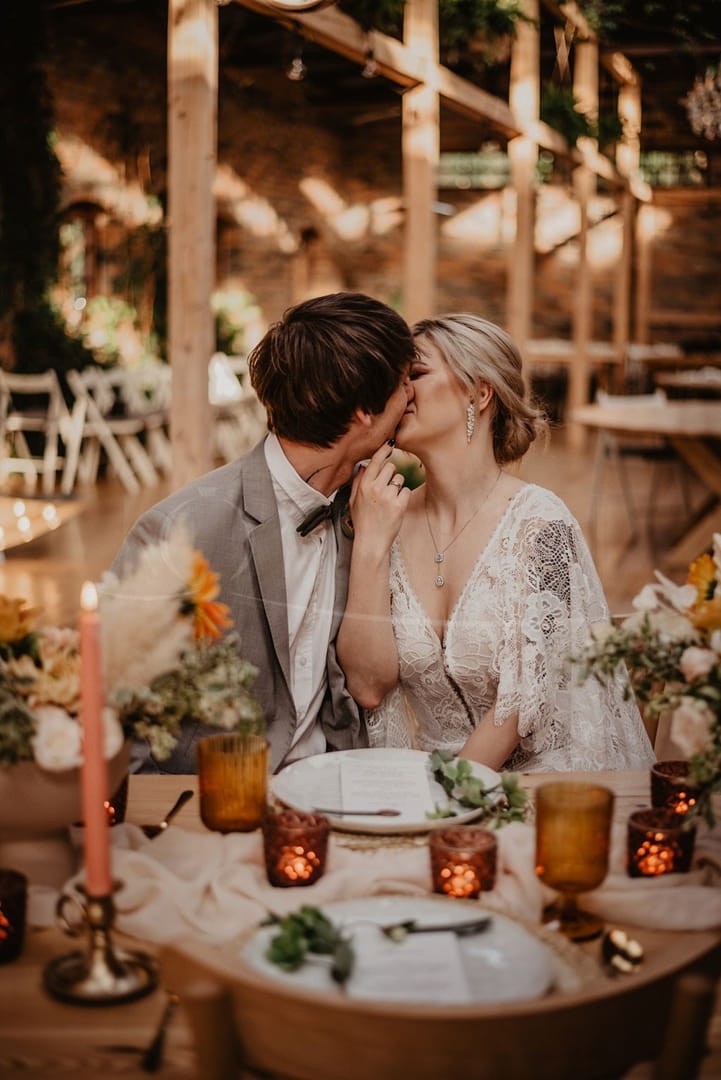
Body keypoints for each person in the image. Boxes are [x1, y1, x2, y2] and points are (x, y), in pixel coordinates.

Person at [336, 313, 655, 772]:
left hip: (540, 779)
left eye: (416, 375)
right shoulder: (388, 518)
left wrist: (445, 797)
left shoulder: (541, 526)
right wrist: (370, 542)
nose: (399, 392)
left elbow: (521, 703)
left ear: (479, 393)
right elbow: (368, 688)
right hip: (426, 779)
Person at [112, 292, 416, 774]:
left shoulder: (371, 504)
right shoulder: (179, 533)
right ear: (364, 411)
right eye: (403, 383)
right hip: (217, 795)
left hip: (335, 783)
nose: (412, 395)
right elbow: (116, 715)